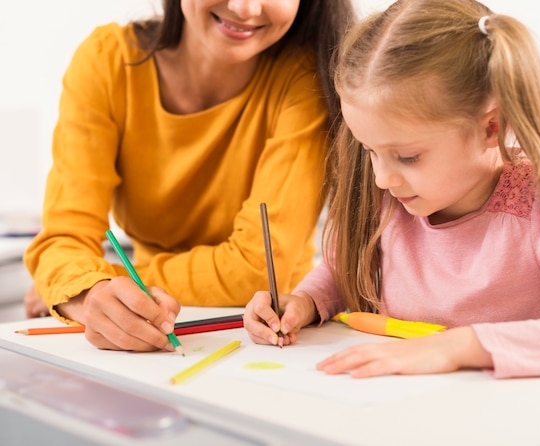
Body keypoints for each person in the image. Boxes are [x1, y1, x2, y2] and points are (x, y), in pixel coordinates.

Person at [243, 0, 540, 379]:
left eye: (408, 156)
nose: (382, 178)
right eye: (370, 150)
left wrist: (459, 347)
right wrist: (305, 302)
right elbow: (339, 270)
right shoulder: (391, 193)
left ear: (491, 127)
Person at [23, 0, 356, 352]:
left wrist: (87, 284)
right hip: (153, 324)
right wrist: (87, 290)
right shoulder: (108, 60)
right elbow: (64, 237)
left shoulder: (308, 79)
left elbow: (253, 270)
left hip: (262, 331)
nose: (245, 8)